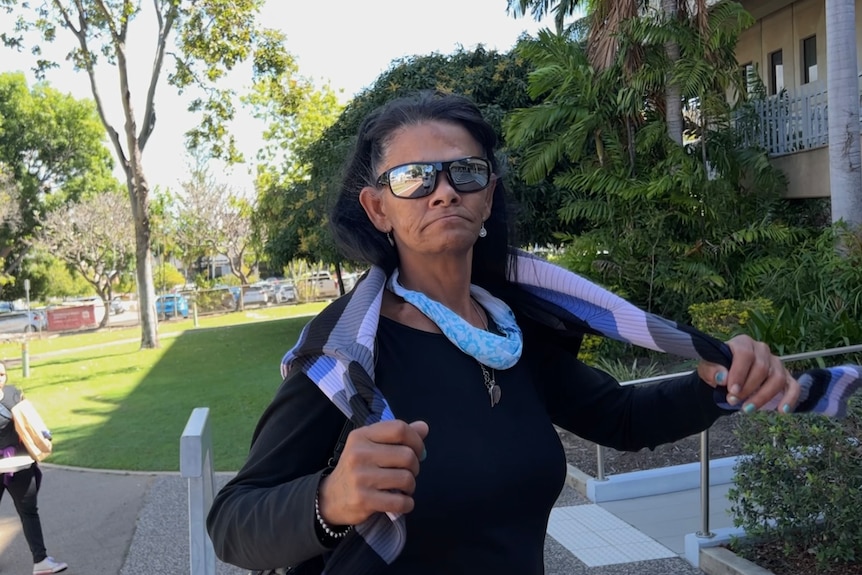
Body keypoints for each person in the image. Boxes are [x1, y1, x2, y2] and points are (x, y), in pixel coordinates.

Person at [207, 91, 859, 575]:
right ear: (378, 207)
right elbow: (233, 522)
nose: (442, 192)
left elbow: (621, 418)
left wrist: (714, 384)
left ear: (488, 193)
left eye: (464, 171)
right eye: (413, 178)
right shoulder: (345, 358)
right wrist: (328, 500)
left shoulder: (514, 331)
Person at [0, 360, 68, 574]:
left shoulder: (13, 394)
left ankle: (41, 562)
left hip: (19, 463)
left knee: (28, 511)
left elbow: (32, 420)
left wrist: (43, 434)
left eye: (1, 374)